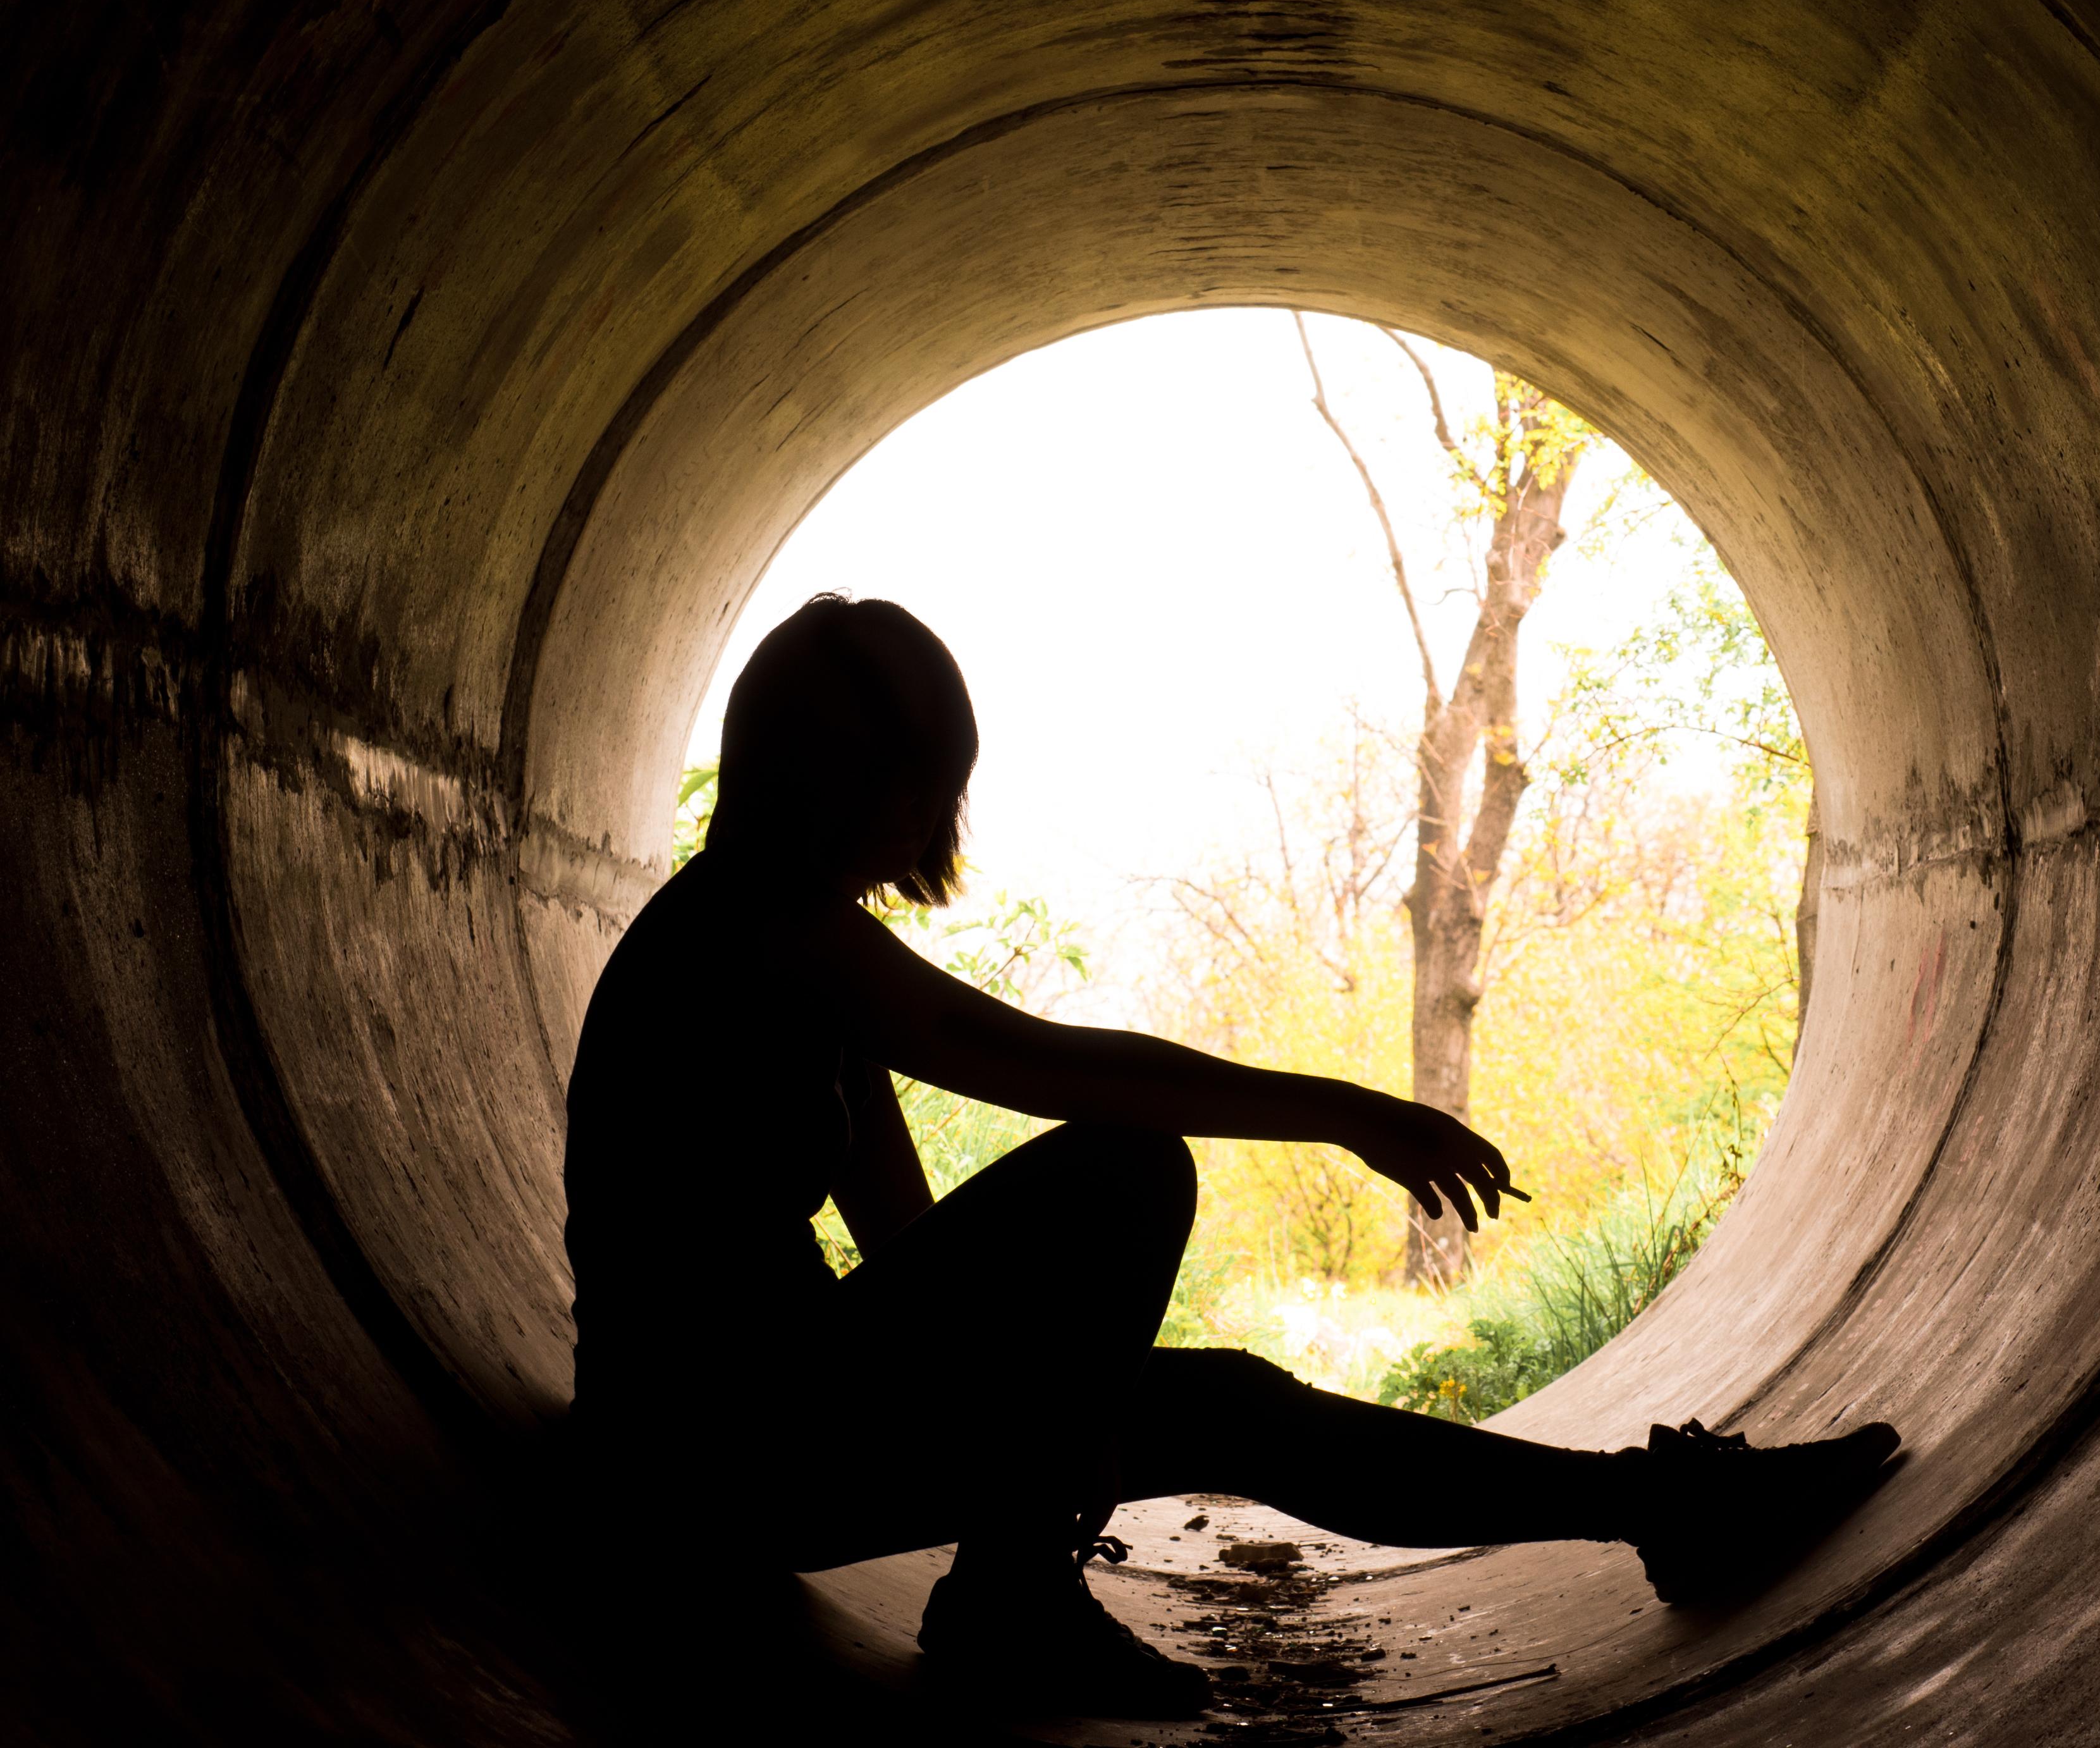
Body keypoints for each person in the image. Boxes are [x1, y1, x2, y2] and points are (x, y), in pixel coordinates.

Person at [564, 593, 1898, 1718]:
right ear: (848, 782)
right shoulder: (764, 931)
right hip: (712, 1467)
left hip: (748, 1437)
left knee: (1229, 1404)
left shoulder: (784, 943)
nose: (929, 822)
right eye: (920, 783)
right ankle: (1014, 1601)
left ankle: (1655, 1506)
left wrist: (1050, 1422)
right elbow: (1059, 1068)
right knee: (1129, 1162)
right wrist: (1347, 1108)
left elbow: (908, 1250)